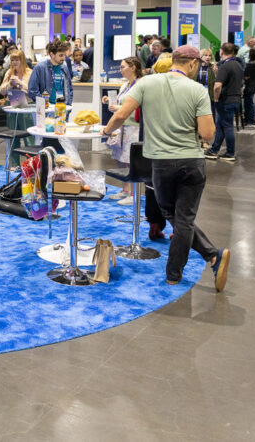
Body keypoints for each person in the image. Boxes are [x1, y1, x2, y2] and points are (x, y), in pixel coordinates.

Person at [101, 45, 230, 291]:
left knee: (173, 215)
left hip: (159, 163)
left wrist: (106, 131)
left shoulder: (147, 83)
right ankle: (193, 264)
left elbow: (122, 114)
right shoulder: (197, 90)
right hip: (191, 162)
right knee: (184, 219)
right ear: (192, 64)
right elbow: (208, 134)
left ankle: (207, 258)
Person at [102, 56, 145, 205]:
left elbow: (138, 106)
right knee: (120, 158)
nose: (120, 69)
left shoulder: (140, 85)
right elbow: (122, 102)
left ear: (133, 67)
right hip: (122, 126)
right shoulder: (125, 85)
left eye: (122, 67)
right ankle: (126, 189)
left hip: (134, 126)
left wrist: (119, 108)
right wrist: (110, 101)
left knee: (130, 160)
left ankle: (133, 193)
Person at [206, 42, 242, 162]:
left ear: (221, 52)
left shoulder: (225, 66)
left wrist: (216, 98)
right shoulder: (238, 64)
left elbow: (217, 86)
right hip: (236, 99)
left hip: (226, 100)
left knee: (227, 126)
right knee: (221, 125)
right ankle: (214, 150)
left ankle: (230, 153)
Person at [0, 49, 34, 168]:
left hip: (26, 108)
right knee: (13, 138)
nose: (14, 62)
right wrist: (9, 85)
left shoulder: (30, 72)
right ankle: (14, 164)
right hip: (12, 106)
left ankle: (31, 165)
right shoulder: (8, 72)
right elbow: (1, 90)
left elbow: (32, 91)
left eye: (17, 60)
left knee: (29, 138)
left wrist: (19, 83)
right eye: (12, 60)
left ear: (22, 60)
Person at [27, 39, 73, 104]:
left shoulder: (64, 68)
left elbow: (69, 89)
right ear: (52, 55)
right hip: (46, 110)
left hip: (62, 108)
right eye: (60, 55)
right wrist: (45, 103)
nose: (63, 58)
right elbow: (32, 91)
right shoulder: (39, 68)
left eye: (64, 55)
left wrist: (69, 104)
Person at [242, 48, 255, 126]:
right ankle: (250, 119)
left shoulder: (250, 64)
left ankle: (250, 120)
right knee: (250, 102)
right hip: (254, 85)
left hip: (249, 85)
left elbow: (246, 75)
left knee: (249, 103)